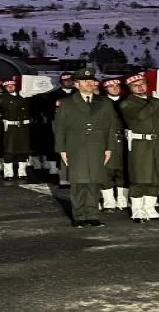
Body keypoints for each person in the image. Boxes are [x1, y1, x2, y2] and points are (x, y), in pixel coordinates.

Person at [54, 68, 119, 227]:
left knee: (94, 182)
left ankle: (92, 215)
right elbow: (60, 127)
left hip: (98, 147)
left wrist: (109, 148)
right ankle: (79, 216)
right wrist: (61, 150)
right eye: (85, 81)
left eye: (92, 81)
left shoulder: (105, 102)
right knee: (78, 183)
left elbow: (112, 127)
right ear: (77, 84)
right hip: (76, 147)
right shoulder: (67, 102)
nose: (90, 83)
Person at [119, 73, 159, 223]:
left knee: (155, 178)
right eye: (135, 85)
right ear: (130, 88)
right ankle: (137, 209)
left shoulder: (155, 101)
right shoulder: (127, 103)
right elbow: (141, 116)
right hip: (141, 145)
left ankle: (150, 208)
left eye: (143, 83)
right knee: (139, 178)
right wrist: (158, 100)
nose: (140, 87)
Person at [100, 78, 128, 211]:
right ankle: (109, 201)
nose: (115, 88)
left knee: (124, 170)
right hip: (107, 140)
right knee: (107, 171)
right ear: (105, 89)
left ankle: (122, 200)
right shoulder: (100, 102)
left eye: (117, 85)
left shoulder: (128, 100)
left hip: (125, 139)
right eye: (111, 86)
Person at [0, 78, 32, 180]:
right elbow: (11, 107)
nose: (11, 87)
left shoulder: (23, 96)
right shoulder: (2, 98)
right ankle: (8, 173)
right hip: (11, 127)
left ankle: (22, 172)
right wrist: (23, 96)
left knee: (23, 149)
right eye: (8, 86)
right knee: (9, 150)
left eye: (12, 85)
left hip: (23, 126)